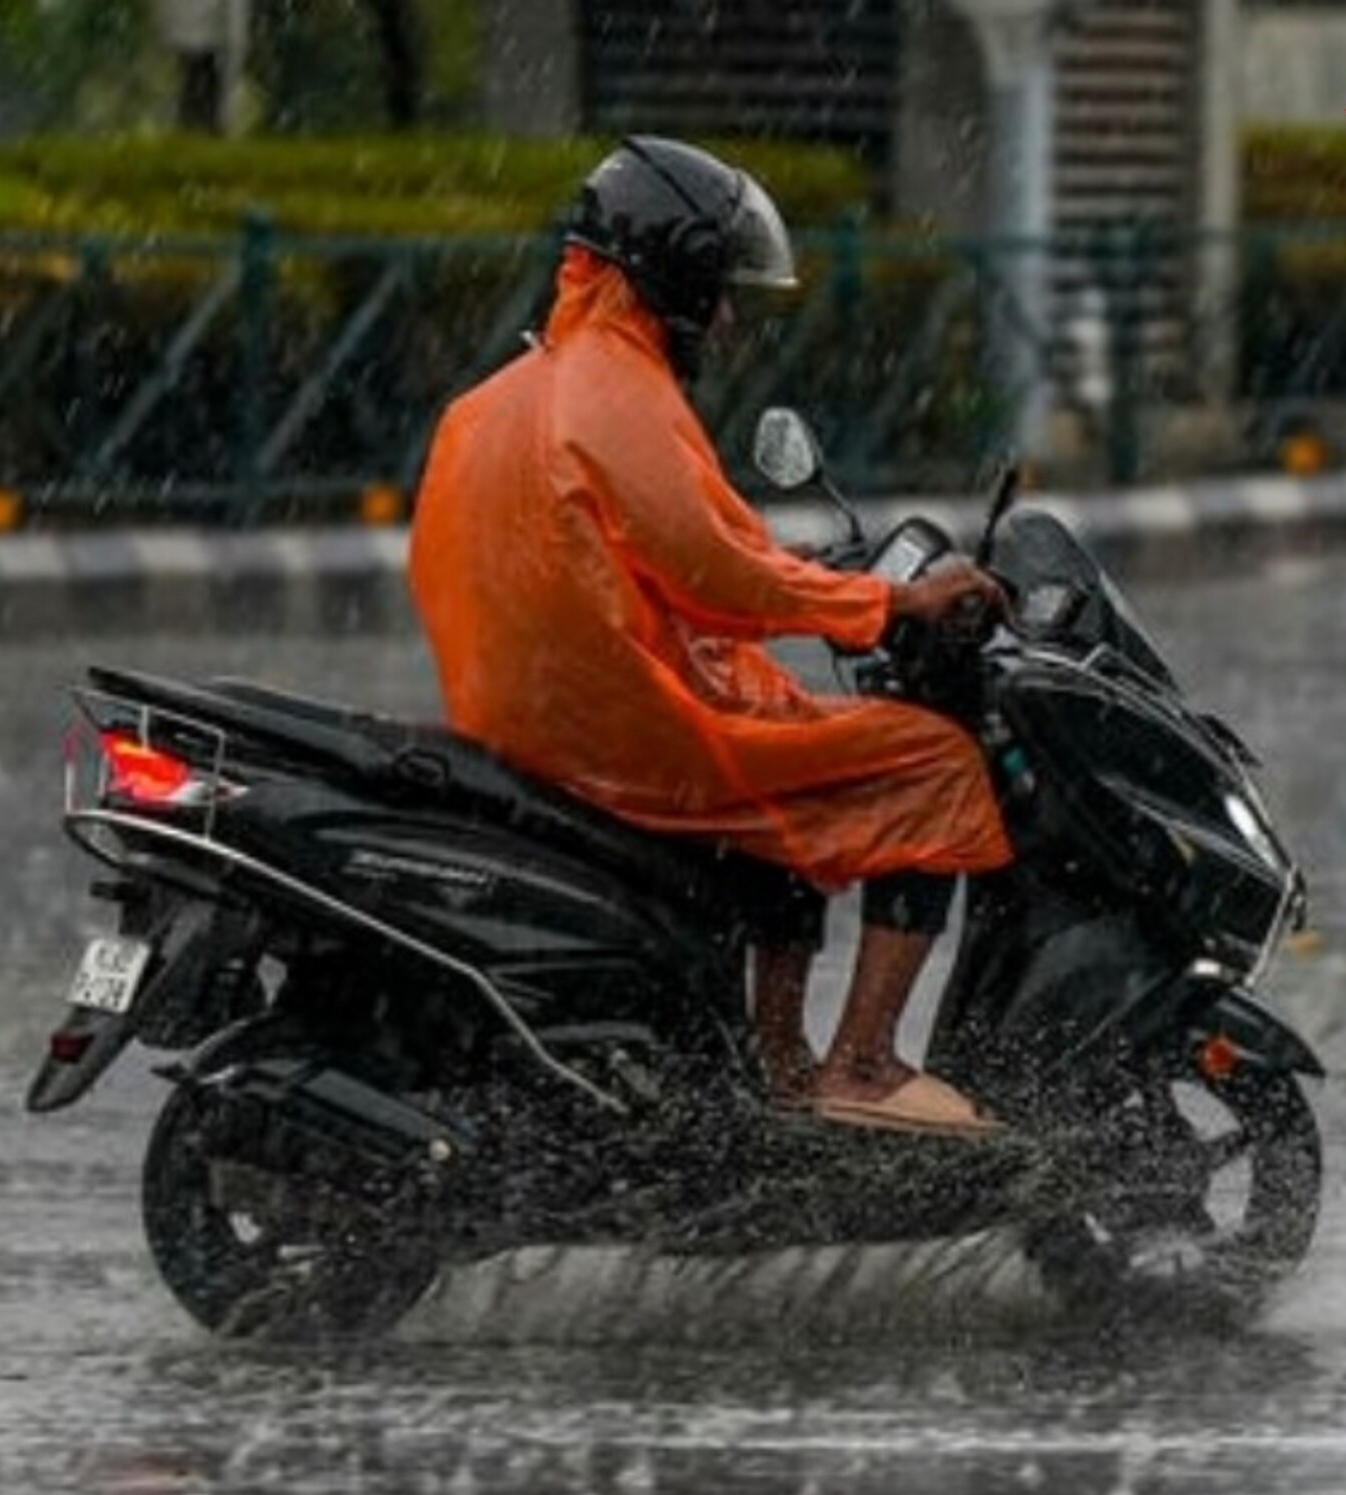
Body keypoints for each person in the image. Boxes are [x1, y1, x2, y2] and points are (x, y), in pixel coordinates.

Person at [407, 137, 1013, 1136]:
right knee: (931, 762)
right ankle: (859, 1063)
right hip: (622, 732)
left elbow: (659, 564)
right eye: (721, 293)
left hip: (533, 718)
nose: (729, 319)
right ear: (677, 281)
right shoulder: (616, 393)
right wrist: (889, 606)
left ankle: (776, 1061)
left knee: (788, 756)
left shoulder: (507, 394)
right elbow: (718, 570)